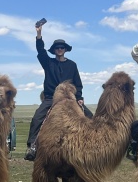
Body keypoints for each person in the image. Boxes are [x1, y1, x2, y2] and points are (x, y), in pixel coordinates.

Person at [25, 21, 92, 161]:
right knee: (37, 117)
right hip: (51, 98)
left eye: (62, 47)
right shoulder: (48, 63)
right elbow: (41, 51)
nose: (60, 49)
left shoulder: (72, 65)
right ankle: (32, 146)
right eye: (57, 47)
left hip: (70, 98)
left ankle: (91, 146)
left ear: (65, 49)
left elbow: (78, 83)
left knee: (90, 116)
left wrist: (79, 97)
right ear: (54, 50)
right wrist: (39, 34)